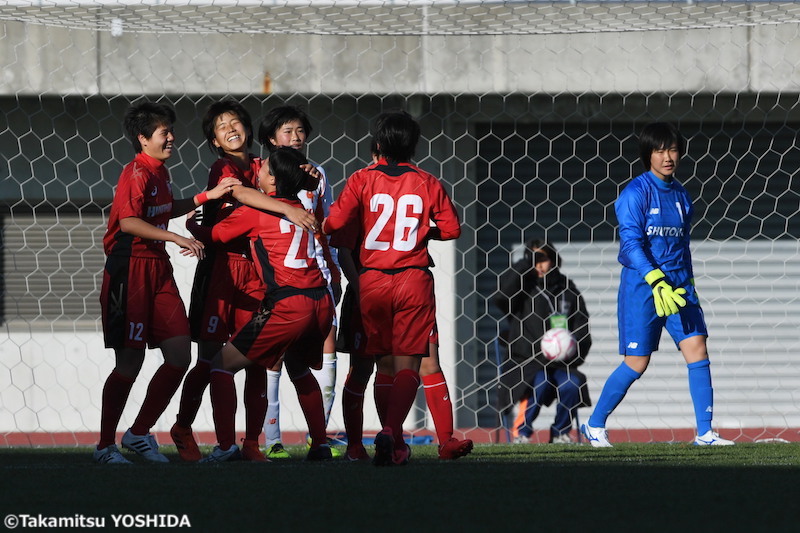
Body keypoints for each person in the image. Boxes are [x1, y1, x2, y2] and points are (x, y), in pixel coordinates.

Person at [94, 101, 240, 464]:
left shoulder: (159, 172)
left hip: (158, 268)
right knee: (130, 361)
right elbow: (128, 223)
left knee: (178, 355)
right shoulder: (136, 173)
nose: (172, 137)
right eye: (164, 132)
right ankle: (104, 446)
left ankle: (139, 433)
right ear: (143, 139)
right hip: (130, 269)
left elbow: (162, 209)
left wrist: (207, 196)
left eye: (171, 131)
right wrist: (177, 238)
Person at [170, 99, 314, 462]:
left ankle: (251, 443)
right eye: (222, 126)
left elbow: (289, 180)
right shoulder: (223, 168)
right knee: (208, 358)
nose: (231, 129)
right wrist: (283, 205)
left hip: (259, 273)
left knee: (254, 360)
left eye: (236, 122)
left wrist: (305, 174)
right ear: (215, 141)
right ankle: (188, 428)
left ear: (249, 130)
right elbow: (242, 195)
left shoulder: (264, 164)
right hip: (222, 270)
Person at [581, 122, 734, 447]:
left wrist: (688, 284)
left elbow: (682, 246)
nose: (668, 157)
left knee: (697, 348)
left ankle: (705, 433)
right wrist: (655, 279)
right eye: (660, 150)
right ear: (647, 155)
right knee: (637, 362)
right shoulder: (635, 194)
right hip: (643, 288)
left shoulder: (681, 195)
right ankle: (594, 425)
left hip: (679, 288)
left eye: (673, 149)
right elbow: (632, 245)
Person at [323, 110, 462, 466]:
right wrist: (423, 231)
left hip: (372, 281)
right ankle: (390, 431)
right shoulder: (427, 181)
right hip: (412, 278)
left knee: (383, 364)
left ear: (379, 144)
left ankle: (390, 438)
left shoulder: (361, 179)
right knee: (410, 365)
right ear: (413, 146)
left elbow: (335, 224)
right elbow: (451, 229)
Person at [198, 146, 335, 462]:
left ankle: (224, 448)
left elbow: (216, 236)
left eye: (264, 167)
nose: (257, 169)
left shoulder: (257, 211)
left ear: (272, 180)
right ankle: (320, 444)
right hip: (321, 301)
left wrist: (192, 226)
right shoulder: (303, 206)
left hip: (288, 305)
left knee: (220, 365)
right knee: (299, 369)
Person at [256, 105, 342, 459]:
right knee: (273, 359)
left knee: (328, 351)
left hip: (317, 274)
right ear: (272, 139)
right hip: (277, 279)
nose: (294, 138)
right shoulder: (260, 174)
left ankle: (316, 436)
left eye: (299, 131)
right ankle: (272, 439)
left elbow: (326, 225)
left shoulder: (318, 173)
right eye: (286, 131)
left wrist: (335, 268)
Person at [494, 239, 592, 444]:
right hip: (527, 363)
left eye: (543, 258)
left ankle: (561, 432)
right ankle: (521, 432)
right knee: (539, 382)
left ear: (554, 260)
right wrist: (524, 264)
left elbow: (582, 326)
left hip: (560, 363)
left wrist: (574, 351)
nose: (538, 265)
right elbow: (501, 297)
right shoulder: (522, 289)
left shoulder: (567, 288)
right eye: (533, 259)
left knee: (572, 384)